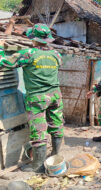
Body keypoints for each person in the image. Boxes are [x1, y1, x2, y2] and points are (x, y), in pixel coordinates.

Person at [0, 20, 64, 173]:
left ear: (33, 38)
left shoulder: (28, 53)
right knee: (56, 126)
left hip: (37, 97)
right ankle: (55, 156)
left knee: (38, 130)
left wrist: (1, 48)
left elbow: (4, 62)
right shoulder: (56, 54)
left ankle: (38, 165)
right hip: (55, 95)